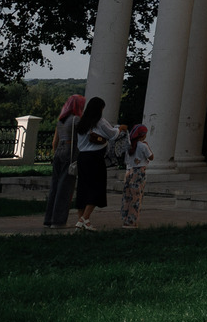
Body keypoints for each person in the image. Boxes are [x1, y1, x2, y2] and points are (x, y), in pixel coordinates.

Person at [72, 97, 117, 229]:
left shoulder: (81, 122)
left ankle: (82, 219)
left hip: (82, 157)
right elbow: (112, 134)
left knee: (83, 188)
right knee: (97, 187)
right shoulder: (100, 122)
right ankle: (84, 219)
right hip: (95, 158)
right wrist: (121, 129)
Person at [43, 94, 85, 228]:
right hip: (70, 151)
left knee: (55, 186)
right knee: (65, 187)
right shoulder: (76, 120)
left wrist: (55, 154)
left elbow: (55, 141)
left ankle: (49, 219)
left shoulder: (61, 120)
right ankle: (59, 221)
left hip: (59, 152)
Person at [117, 122, 153, 228]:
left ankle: (125, 219)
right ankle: (132, 221)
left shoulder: (129, 145)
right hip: (139, 172)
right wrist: (147, 146)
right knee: (136, 196)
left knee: (127, 196)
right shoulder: (142, 145)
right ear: (143, 135)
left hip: (129, 171)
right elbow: (151, 157)